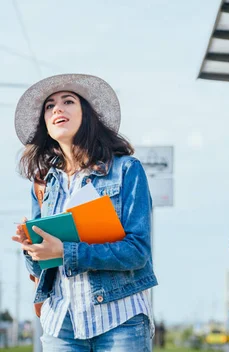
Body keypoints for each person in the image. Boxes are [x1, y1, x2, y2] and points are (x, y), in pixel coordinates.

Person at [11, 74, 157, 351]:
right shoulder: (44, 184)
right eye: (49, 106)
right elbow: (42, 269)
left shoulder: (126, 170)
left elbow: (138, 252)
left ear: (86, 114)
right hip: (61, 324)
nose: (57, 109)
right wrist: (32, 250)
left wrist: (66, 251)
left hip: (120, 320)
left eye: (68, 101)